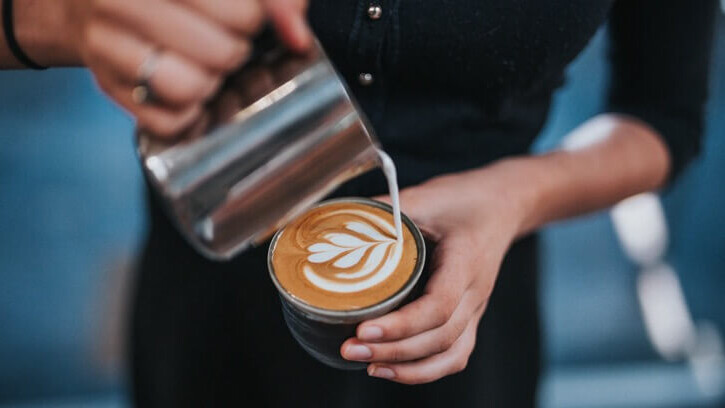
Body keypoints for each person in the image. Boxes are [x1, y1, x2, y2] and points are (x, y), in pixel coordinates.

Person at [1, 0, 717, 406]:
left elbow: (662, 119)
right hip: (213, 260)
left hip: (471, 298)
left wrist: (514, 197)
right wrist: (58, 18)